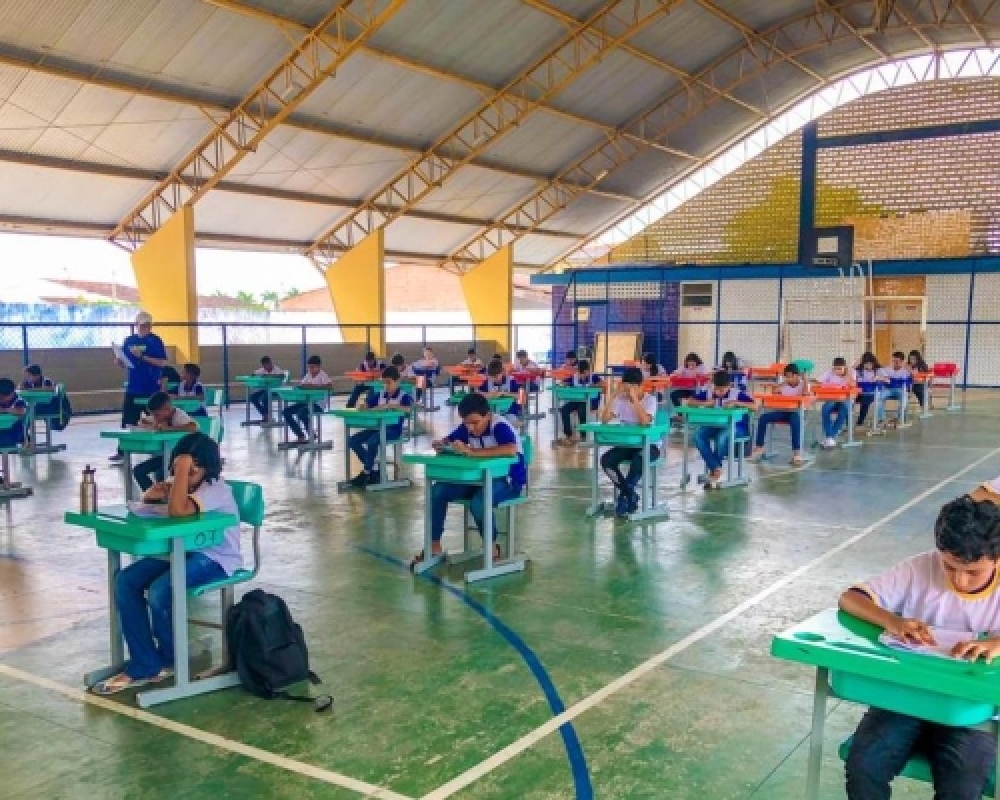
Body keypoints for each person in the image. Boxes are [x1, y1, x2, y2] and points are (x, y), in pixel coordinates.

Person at [840, 496, 1000, 799]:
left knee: (962, 785)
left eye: (973, 572)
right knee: (863, 764)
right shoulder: (919, 569)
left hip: (972, 709)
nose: (960, 581)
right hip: (905, 698)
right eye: (950, 567)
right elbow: (852, 598)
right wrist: (892, 621)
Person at [93, 433, 242, 695]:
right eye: (181, 466)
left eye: (192, 469)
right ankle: (147, 661)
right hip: (182, 551)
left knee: (162, 590)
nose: (185, 474)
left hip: (216, 557)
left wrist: (181, 475)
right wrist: (162, 488)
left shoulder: (214, 488)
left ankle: (171, 658)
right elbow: (151, 500)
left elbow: (178, 511)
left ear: (207, 468)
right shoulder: (182, 483)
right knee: (125, 581)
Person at [410, 393, 526, 568]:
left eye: (475, 423)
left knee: (479, 503)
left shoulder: (499, 425)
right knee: (438, 491)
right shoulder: (468, 427)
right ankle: (434, 546)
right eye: (467, 423)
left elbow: (511, 449)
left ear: (487, 415)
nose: (471, 428)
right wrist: (442, 444)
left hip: (507, 482)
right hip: (478, 480)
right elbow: (450, 439)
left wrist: (473, 452)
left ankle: (492, 546)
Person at [599, 367, 658, 517]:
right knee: (606, 460)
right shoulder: (620, 400)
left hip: (649, 445)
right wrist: (613, 396)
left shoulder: (650, 400)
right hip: (627, 444)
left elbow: (645, 422)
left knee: (639, 460)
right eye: (625, 387)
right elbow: (604, 420)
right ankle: (629, 494)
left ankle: (624, 497)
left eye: (631, 387)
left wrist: (635, 399)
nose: (627, 390)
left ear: (639, 386)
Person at [112, 311, 168, 464]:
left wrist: (143, 357)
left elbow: (162, 362)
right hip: (134, 387)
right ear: (137, 325)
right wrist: (120, 362)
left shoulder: (155, 341)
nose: (145, 327)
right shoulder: (129, 341)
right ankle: (123, 450)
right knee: (128, 418)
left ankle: (160, 448)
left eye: (147, 325)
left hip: (151, 387)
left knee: (155, 417)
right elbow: (126, 362)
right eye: (142, 325)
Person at [685, 371, 755, 488]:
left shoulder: (736, 394)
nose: (719, 392)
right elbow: (690, 402)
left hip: (738, 427)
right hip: (715, 425)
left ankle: (715, 472)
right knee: (698, 435)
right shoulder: (709, 393)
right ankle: (716, 468)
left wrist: (736, 403)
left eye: (723, 390)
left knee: (722, 437)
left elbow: (755, 406)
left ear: (729, 386)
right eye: (717, 389)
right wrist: (706, 403)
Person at [347, 366, 413, 488]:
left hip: (393, 430)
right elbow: (367, 404)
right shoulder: (380, 395)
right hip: (375, 428)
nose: (386, 386)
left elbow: (409, 409)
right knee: (352, 441)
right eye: (384, 383)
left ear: (397, 381)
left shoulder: (403, 396)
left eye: (389, 383)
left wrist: (391, 406)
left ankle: (367, 472)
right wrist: (363, 406)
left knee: (373, 441)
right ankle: (374, 469)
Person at [132, 392, 198, 492]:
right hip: (168, 456)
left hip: (185, 458)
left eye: (157, 415)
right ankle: (154, 497)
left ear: (167, 409)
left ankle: (162, 497)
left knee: (163, 475)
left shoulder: (179, 415)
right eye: (153, 414)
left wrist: (169, 428)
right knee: (139, 471)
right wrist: (146, 423)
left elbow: (193, 427)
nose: (155, 417)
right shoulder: (160, 417)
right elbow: (143, 421)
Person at [749, 363, 810, 465]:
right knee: (763, 418)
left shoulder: (802, 384)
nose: (788, 378)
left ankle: (796, 453)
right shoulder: (784, 384)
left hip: (795, 413)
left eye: (790, 376)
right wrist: (783, 384)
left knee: (795, 422)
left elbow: (805, 394)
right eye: (786, 376)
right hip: (782, 412)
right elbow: (775, 391)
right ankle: (759, 448)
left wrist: (805, 380)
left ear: (796, 376)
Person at [282, 355, 332, 444]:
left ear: (319, 366)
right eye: (309, 367)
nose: (310, 369)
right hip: (305, 402)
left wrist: (315, 387)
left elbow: (329, 386)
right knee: (286, 411)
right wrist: (301, 386)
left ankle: (311, 434)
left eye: (313, 367)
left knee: (302, 413)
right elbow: (302, 385)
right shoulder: (308, 375)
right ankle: (300, 435)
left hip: (318, 405)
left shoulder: (322, 375)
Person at [557, 359, 602, 445]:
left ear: (588, 370)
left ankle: (583, 435)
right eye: (582, 373)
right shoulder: (575, 377)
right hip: (577, 401)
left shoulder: (594, 377)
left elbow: (603, 384)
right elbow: (563, 382)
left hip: (591, 401)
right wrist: (564, 384)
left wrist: (594, 385)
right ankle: (568, 435)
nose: (584, 375)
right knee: (564, 410)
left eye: (586, 372)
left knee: (582, 411)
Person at [816, 357, 856, 449]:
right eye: (835, 369)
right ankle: (830, 437)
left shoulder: (851, 372)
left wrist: (846, 375)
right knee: (825, 409)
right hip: (832, 398)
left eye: (840, 369)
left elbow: (853, 384)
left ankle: (830, 437)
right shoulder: (830, 372)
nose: (837, 371)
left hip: (846, 399)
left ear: (845, 367)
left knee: (843, 411)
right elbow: (818, 382)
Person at [483, 359, 522, 426]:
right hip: (491, 411)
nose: (494, 379)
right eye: (492, 377)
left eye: (496, 376)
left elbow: (521, 396)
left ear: (502, 372)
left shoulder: (511, 381)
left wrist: (504, 393)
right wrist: (489, 395)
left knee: (510, 422)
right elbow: (478, 394)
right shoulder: (486, 382)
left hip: (510, 410)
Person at [877, 351, 912, 428]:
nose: (895, 363)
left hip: (900, 390)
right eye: (893, 361)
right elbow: (879, 376)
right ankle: (882, 419)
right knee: (878, 398)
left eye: (897, 361)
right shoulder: (886, 369)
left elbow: (908, 382)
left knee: (904, 399)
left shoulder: (906, 371)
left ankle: (896, 418)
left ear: (902, 362)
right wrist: (884, 379)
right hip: (888, 390)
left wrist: (892, 381)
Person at [249, 356, 283, 422]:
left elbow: (282, 375)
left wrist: (269, 376)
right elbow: (253, 374)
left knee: (265, 397)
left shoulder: (277, 369)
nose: (266, 367)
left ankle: (267, 416)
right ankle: (265, 414)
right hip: (266, 389)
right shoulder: (262, 370)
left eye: (267, 365)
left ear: (270, 363)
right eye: (264, 366)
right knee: (252, 397)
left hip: (276, 390)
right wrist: (257, 376)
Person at [855, 352, 883, 428]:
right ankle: (848, 424)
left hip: (871, 393)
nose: (868, 366)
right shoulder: (858, 371)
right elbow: (850, 373)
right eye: (866, 364)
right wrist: (856, 363)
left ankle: (859, 423)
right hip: (859, 392)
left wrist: (878, 378)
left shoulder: (878, 370)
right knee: (848, 402)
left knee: (865, 402)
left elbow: (888, 380)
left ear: (874, 363)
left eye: (870, 364)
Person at [0, 378, 26, 449]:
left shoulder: (18, 400)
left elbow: (21, 411)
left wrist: (5, 410)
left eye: (3, 398)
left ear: (12, 393)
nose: (2, 400)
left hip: (12, 432)